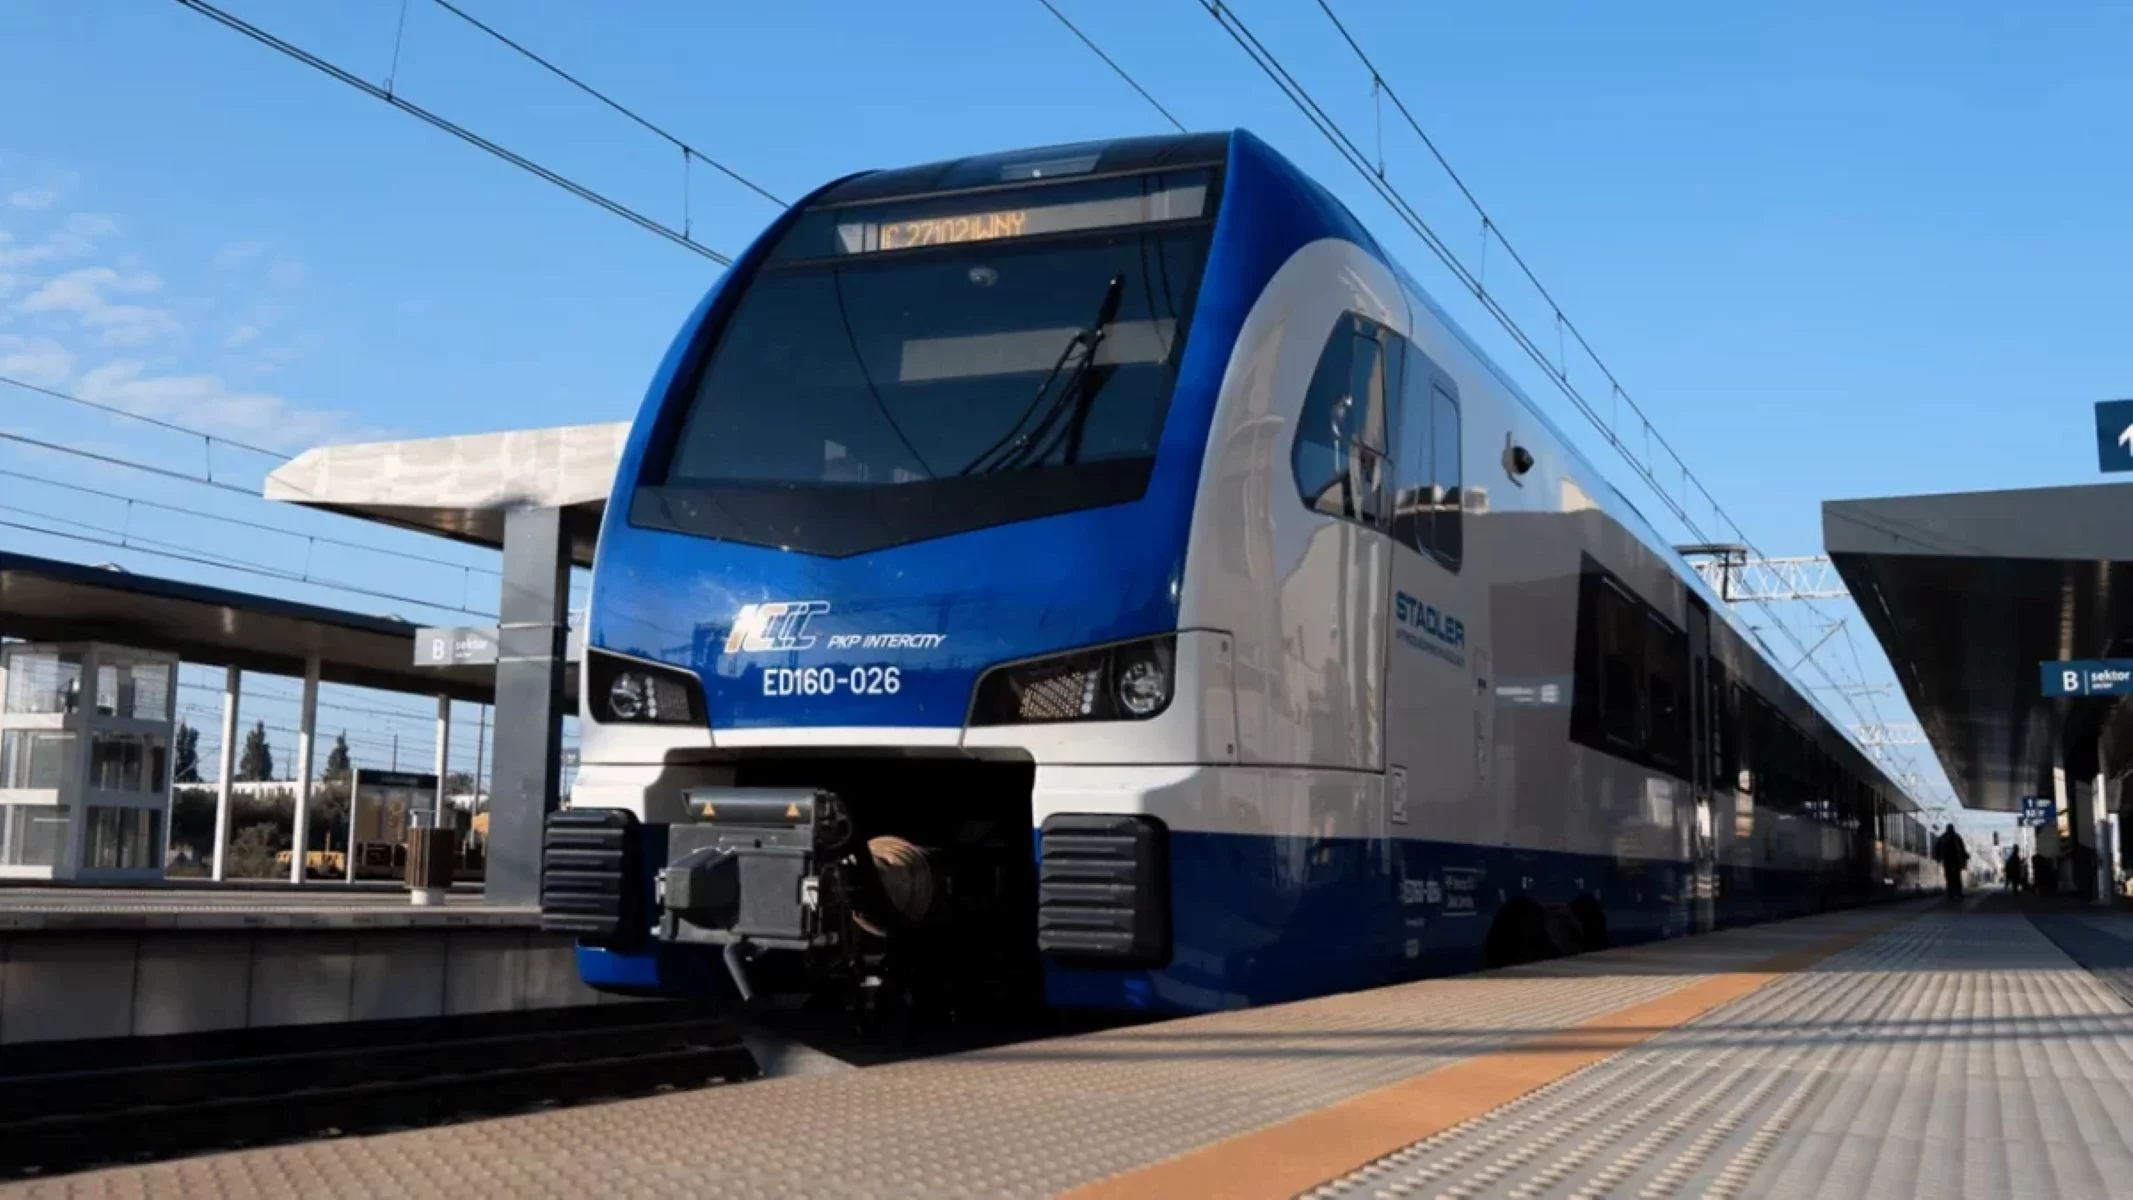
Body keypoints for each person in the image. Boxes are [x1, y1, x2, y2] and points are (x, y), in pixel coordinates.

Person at [1934, 825, 1970, 901]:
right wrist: (1965, 856)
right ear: (1953, 829)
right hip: (1955, 860)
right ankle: (1958, 893)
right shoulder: (1957, 837)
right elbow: (1962, 848)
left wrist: (1938, 857)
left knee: (1949, 877)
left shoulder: (1943, 837)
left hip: (1947, 860)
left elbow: (1937, 847)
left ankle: (1950, 893)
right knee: (1957, 877)